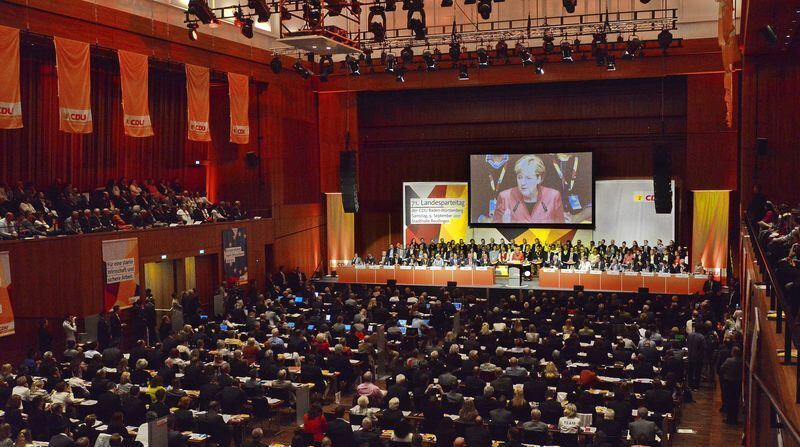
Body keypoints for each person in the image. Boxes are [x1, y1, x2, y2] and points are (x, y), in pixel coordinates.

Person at [492, 155, 565, 224]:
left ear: (539, 179)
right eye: (520, 177)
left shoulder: (554, 197)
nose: (523, 183)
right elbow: (493, 231)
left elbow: (561, 231)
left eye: (528, 178)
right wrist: (503, 223)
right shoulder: (504, 197)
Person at [720, 346, 743, 425]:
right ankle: (734, 419)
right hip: (737, 382)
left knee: (729, 400)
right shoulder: (741, 361)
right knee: (735, 401)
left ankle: (729, 418)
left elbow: (722, 368)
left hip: (728, 382)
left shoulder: (729, 360)